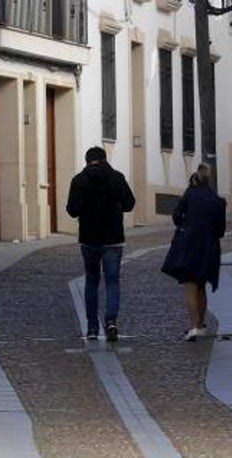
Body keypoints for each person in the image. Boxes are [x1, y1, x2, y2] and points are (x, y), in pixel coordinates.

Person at [66, 146, 136, 342]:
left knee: (91, 281)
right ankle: (111, 321)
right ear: (104, 159)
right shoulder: (117, 177)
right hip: (113, 238)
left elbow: (72, 209)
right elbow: (130, 203)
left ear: (87, 160)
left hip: (89, 238)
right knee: (113, 281)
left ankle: (92, 328)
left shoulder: (79, 180)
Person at [161, 164, 227, 341]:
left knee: (190, 284)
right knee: (201, 284)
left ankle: (193, 326)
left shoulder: (190, 194)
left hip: (189, 244)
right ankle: (201, 324)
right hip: (209, 247)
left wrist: (186, 225)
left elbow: (176, 216)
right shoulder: (218, 200)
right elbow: (221, 230)